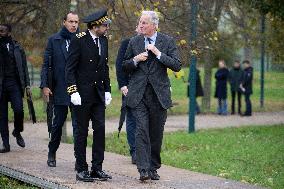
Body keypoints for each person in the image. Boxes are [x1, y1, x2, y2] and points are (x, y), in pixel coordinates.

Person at [122, 11, 181, 181]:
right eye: (140, 22)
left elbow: (177, 65)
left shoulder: (167, 41)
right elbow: (125, 65)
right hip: (138, 95)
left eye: (144, 23)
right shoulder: (134, 41)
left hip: (158, 95)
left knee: (156, 133)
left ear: (154, 25)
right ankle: (143, 169)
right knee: (141, 131)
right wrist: (135, 59)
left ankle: (153, 167)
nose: (140, 25)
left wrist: (158, 53)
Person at [65, 9, 112, 182]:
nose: (106, 27)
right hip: (81, 95)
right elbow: (69, 69)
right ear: (95, 25)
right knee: (81, 132)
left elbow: (104, 67)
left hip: (98, 94)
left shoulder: (104, 41)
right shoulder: (79, 40)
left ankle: (97, 168)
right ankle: (81, 169)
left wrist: (107, 89)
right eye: (104, 25)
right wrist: (73, 91)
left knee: (99, 130)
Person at [40, 12, 79, 167]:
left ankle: (79, 159)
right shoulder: (54, 40)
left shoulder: (82, 39)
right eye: (70, 21)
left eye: (76, 22)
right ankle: (52, 151)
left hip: (78, 91)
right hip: (60, 89)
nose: (74, 25)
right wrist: (45, 85)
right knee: (58, 124)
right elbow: (45, 65)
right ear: (64, 22)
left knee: (78, 126)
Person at [0, 24, 31, 153]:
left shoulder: (17, 47)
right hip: (1, 85)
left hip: (14, 84)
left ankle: (17, 131)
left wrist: (27, 85)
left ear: (9, 32)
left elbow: (24, 68)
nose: (0, 32)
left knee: (19, 110)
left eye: (2, 31)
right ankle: (6, 145)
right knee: (2, 117)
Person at [115, 26, 141, 165]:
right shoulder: (127, 43)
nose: (141, 28)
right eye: (140, 25)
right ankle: (135, 152)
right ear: (136, 28)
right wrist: (123, 85)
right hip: (130, 88)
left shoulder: (153, 44)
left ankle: (144, 151)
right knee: (131, 119)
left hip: (147, 89)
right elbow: (119, 65)